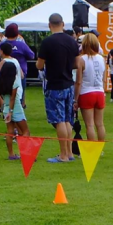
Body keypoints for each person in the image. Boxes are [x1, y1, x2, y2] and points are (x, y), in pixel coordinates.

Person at [37, 13, 80, 163]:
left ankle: (63, 155)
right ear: (63, 24)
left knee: (59, 120)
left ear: (50, 25)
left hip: (55, 85)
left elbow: (39, 65)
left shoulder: (47, 42)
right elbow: (77, 63)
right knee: (68, 119)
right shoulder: (72, 41)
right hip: (69, 83)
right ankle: (69, 153)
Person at [0, 43, 28, 160]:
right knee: (25, 131)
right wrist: (11, 110)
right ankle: (26, 154)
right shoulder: (15, 82)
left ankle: (11, 154)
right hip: (14, 106)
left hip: (6, 105)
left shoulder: (1, 83)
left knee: (10, 131)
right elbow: (14, 98)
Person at [76, 33, 107, 145]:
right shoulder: (102, 59)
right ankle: (100, 147)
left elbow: (79, 81)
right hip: (99, 92)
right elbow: (104, 79)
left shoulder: (81, 59)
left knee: (89, 125)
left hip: (86, 92)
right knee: (100, 124)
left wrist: (76, 98)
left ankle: (92, 148)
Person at [2, 24, 35, 108]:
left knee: (6, 93)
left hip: (4, 72)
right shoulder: (21, 45)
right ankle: (18, 110)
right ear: (17, 34)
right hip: (20, 73)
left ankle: (7, 110)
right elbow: (31, 55)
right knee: (19, 92)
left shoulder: (2, 45)